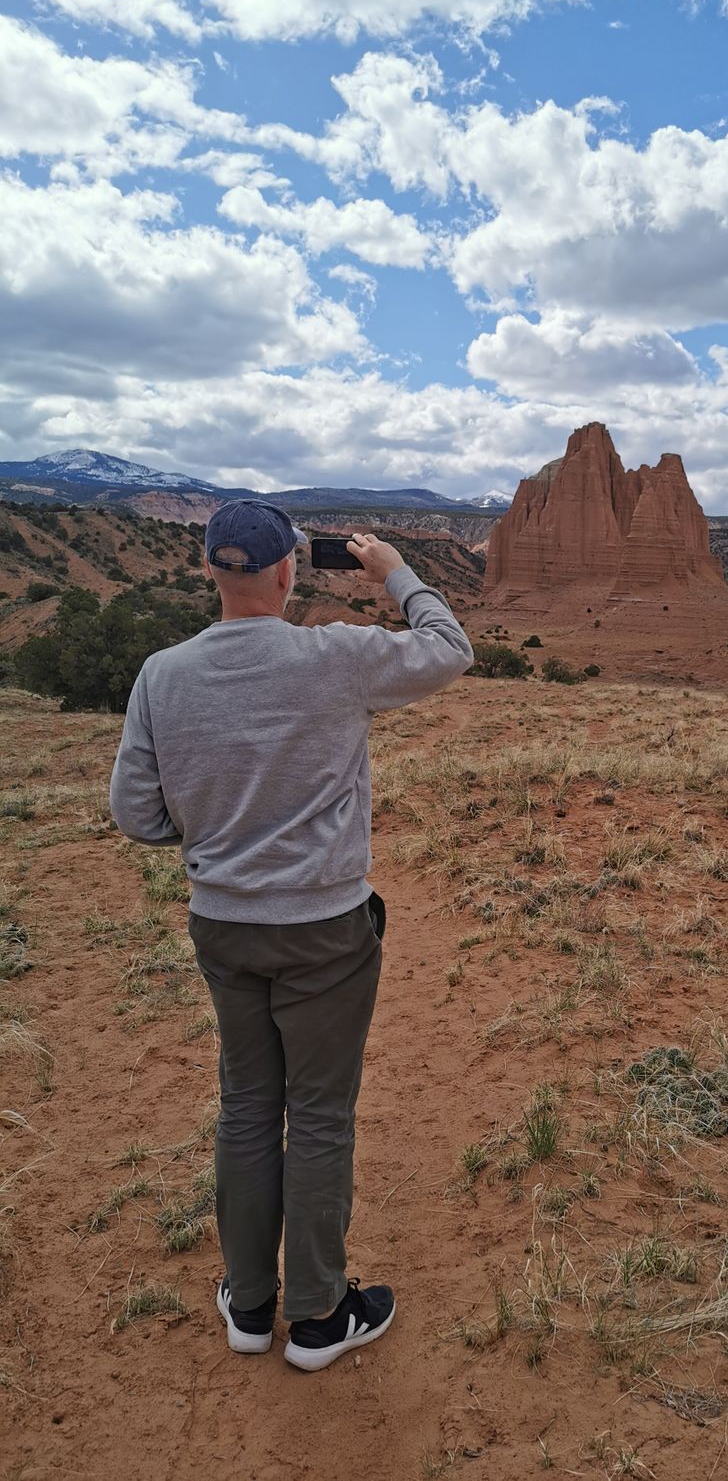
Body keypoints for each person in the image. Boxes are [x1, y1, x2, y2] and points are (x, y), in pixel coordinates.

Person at [108, 497, 473, 1371]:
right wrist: (393, 573)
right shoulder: (334, 656)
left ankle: (247, 1303)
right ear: (287, 572)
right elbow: (451, 651)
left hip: (223, 925)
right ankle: (316, 1319)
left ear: (208, 569)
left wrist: (213, 839)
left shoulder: (162, 673)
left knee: (244, 1106)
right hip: (323, 929)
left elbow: (134, 814)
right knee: (315, 1115)